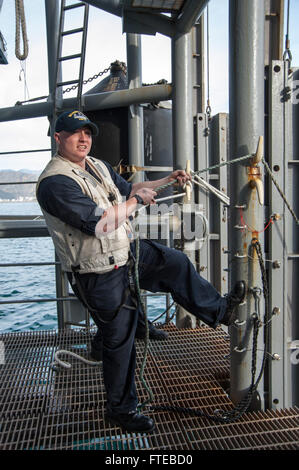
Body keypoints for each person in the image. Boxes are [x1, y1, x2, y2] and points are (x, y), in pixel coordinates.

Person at [36, 110, 246, 434]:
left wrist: (167, 180)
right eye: (75, 133)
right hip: (97, 270)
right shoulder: (54, 182)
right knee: (121, 341)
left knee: (174, 262)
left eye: (87, 133)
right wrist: (136, 201)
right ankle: (120, 409)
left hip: (125, 252)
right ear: (58, 138)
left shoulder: (97, 165)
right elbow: (99, 223)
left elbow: (132, 187)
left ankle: (221, 311)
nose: (84, 139)